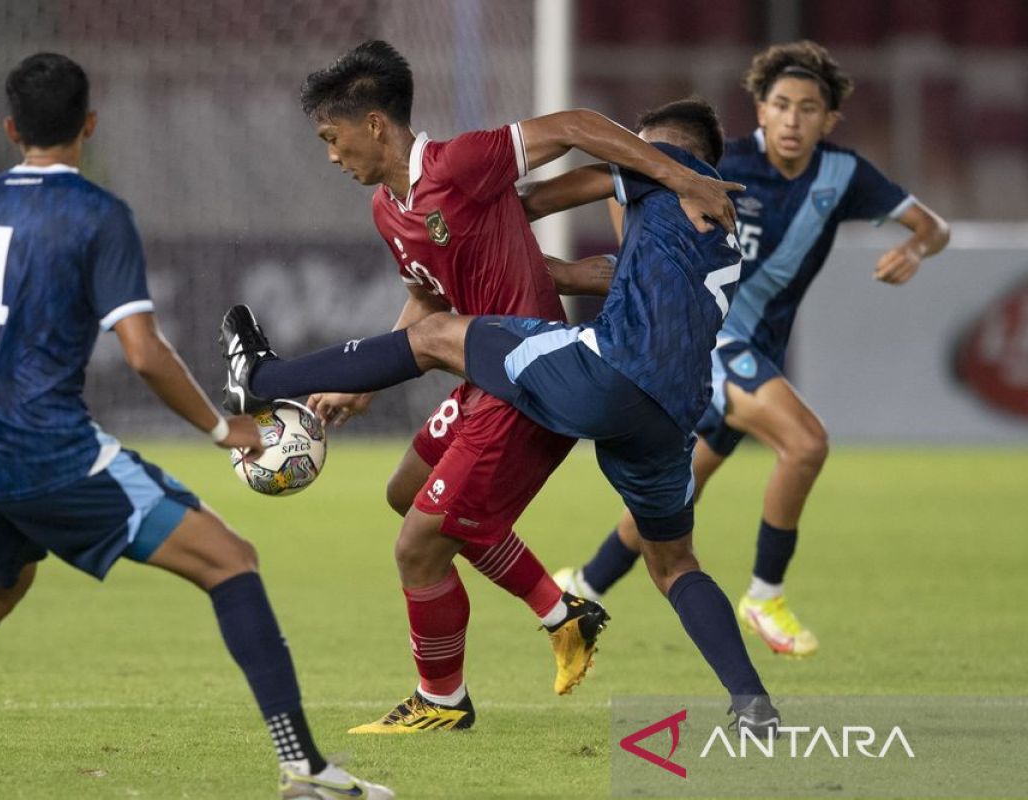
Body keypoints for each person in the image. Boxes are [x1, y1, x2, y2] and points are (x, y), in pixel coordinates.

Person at [0, 53, 393, 800]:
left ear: (10, 130)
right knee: (230, 560)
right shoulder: (99, 216)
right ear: (89, 126)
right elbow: (143, 352)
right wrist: (222, 428)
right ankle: (305, 770)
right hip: (50, 451)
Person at [221, 97, 780, 730]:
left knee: (439, 341)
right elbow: (609, 272)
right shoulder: (721, 225)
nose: (625, 159)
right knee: (675, 564)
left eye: (637, 145)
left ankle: (267, 376)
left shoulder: (659, 168)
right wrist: (541, 266)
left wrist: (459, 206)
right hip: (671, 413)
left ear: (673, 152)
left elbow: (531, 200)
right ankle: (751, 704)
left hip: (605, 371)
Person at [550, 41, 950, 658]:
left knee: (669, 504)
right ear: (759, 110)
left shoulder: (844, 176)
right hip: (707, 338)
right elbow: (628, 177)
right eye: (781, 105)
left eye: (808, 109)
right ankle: (765, 594)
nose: (793, 120)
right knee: (806, 442)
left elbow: (934, 226)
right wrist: (638, 259)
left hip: (756, 349)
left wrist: (915, 250)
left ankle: (583, 584)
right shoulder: (721, 162)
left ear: (828, 119)